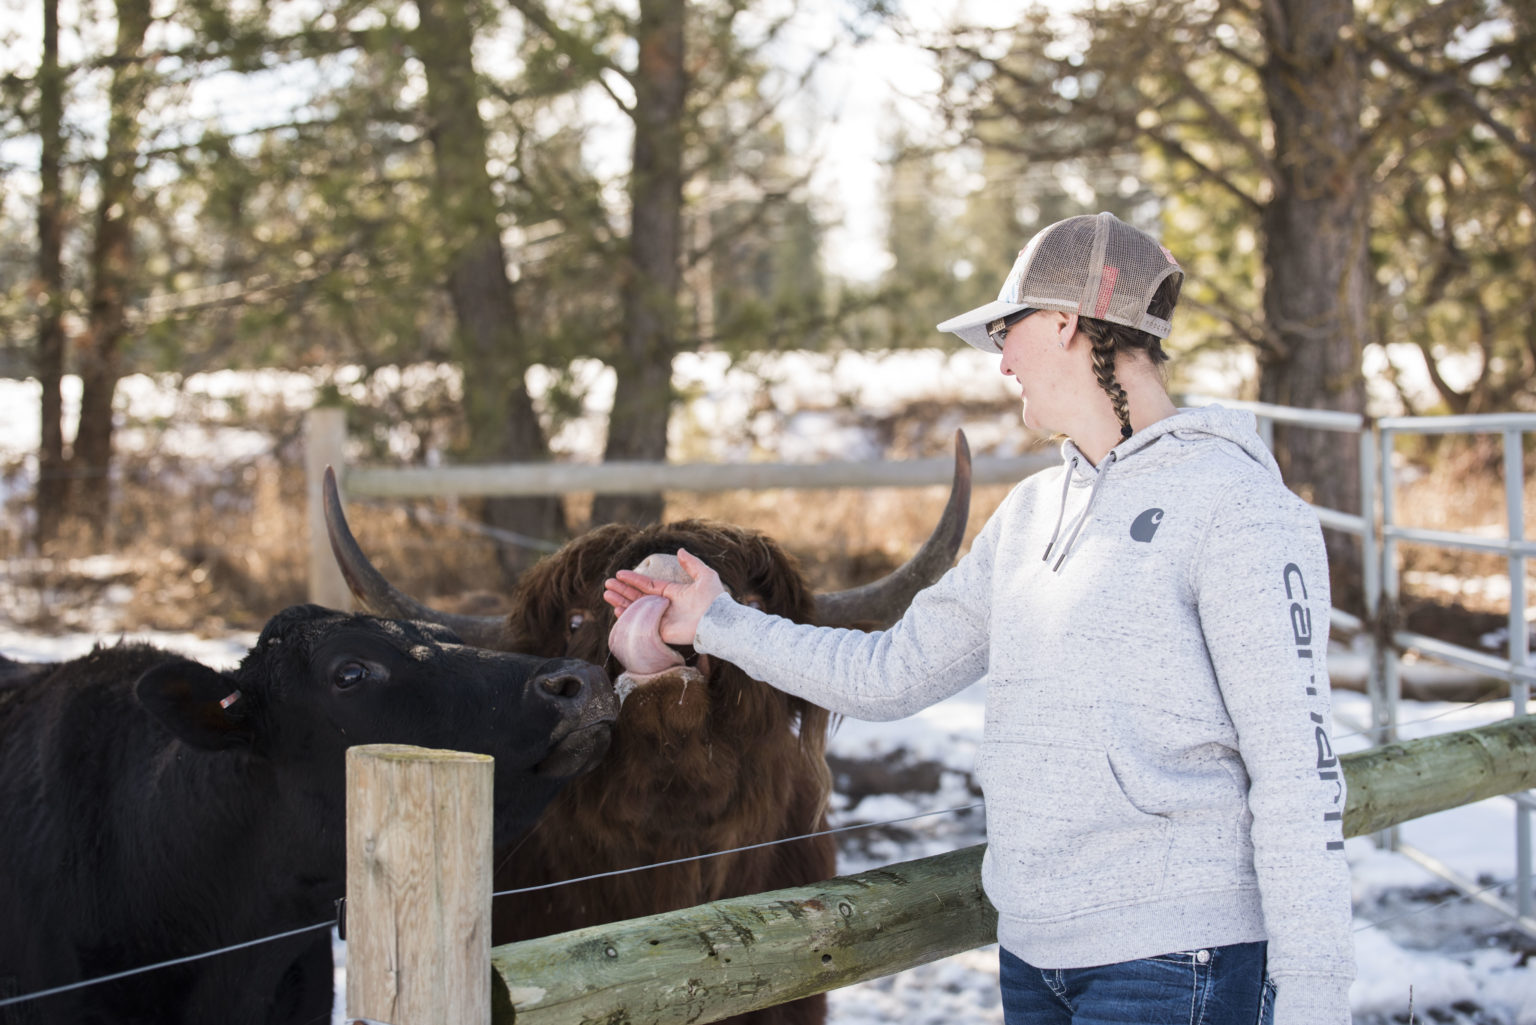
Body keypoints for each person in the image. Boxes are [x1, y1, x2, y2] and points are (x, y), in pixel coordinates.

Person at [603, 211, 1354, 1025]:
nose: (1001, 362)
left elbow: (1296, 771)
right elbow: (889, 674)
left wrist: (1316, 993)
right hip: (1034, 958)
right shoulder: (1031, 514)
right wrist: (715, 621)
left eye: (1008, 330)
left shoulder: (1237, 506)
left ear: (1067, 323)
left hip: (1177, 956)